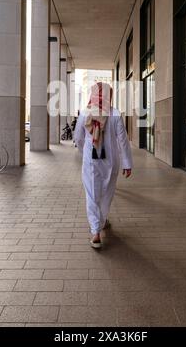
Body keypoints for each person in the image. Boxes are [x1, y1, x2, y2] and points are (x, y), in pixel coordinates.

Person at [74, 82, 132, 249]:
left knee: (92, 194)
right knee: (107, 192)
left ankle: (96, 232)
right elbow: (123, 140)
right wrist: (127, 163)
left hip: (91, 160)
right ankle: (101, 220)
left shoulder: (85, 113)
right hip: (111, 161)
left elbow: (78, 137)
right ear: (109, 95)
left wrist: (83, 152)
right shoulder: (115, 113)